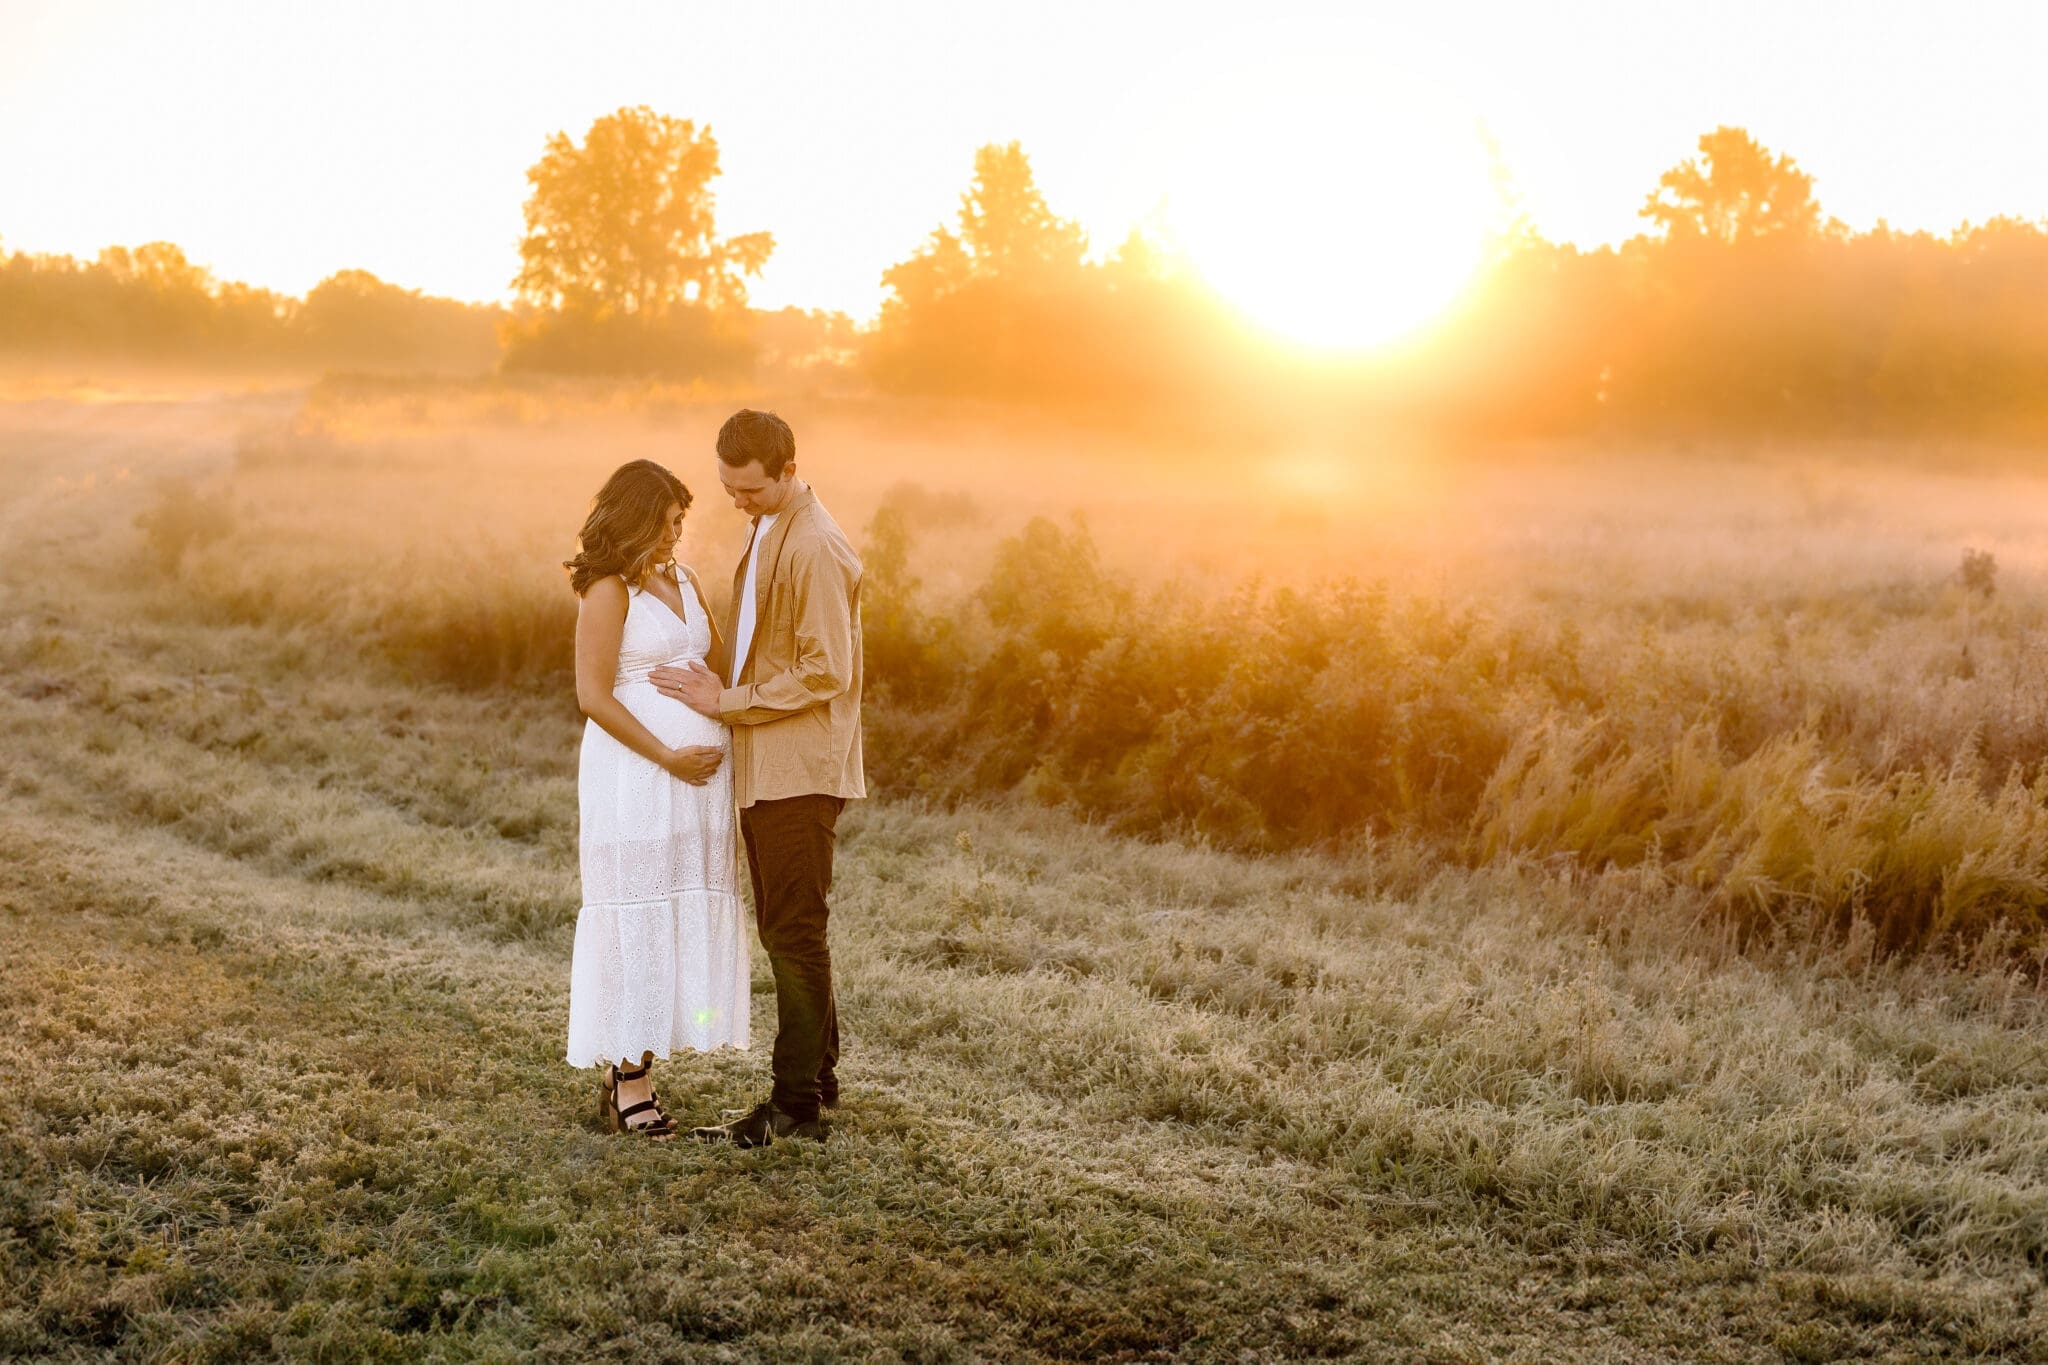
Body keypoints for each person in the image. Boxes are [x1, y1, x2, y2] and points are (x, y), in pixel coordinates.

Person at [651, 409, 864, 1147]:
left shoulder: (816, 545)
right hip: (766, 762)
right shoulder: (770, 525)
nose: (737, 501)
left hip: (799, 766)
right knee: (792, 928)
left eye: (749, 489)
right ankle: (822, 1081)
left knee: (792, 934)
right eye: (728, 489)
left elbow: (826, 669)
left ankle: (795, 1105)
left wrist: (727, 701)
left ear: (786, 469)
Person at [562, 459, 749, 1140]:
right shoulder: (609, 590)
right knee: (640, 911)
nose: (677, 535)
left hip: (696, 791)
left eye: (681, 523)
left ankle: (631, 1068)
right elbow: (593, 694)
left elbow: (722, 668)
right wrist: (668, 752)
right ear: (637, 519)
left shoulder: (687, 581)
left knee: (674, 911)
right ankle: (630, 1082)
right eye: (667, 523)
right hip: (637, 776)